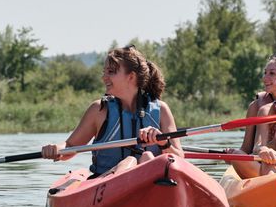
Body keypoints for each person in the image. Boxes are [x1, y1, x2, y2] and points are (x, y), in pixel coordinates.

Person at [41, 45, 181, 176]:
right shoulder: (99, 110)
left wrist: (164, 143)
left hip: (153, 178)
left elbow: (179, 157)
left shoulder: (161, 110)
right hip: (106, 181)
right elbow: (70, 146)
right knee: (130, 161)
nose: (104, 77)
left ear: (131, 77)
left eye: (111, 72)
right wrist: (56, 149)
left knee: (147, 157)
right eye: (104, 72)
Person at [233, 54, 276, 179]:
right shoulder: (256, 107)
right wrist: (232, 156)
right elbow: (246, 148)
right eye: (265, 73)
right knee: (236, 155)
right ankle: (268, 181)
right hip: (263, 167)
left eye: (272, 73)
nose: (265, 78)